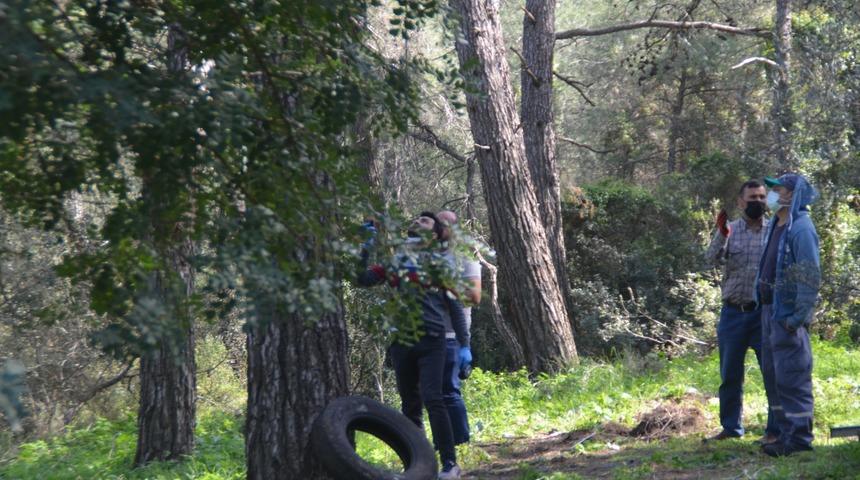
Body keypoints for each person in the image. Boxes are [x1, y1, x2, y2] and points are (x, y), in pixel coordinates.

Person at [357, 211, 470, 479]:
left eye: (426, 220)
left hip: (433, 339)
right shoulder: (395, 261)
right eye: (417, 218)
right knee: (409, 406)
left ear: (434, 234)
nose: (418, 221)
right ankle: (417, 466)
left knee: (434, 399)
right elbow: (361, 280)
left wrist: (465, 345)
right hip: (401, 341)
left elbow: (455, 307)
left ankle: (450, 464)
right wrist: (365, 247)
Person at [704, 180, 778, 443]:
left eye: (761, 197)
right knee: (730, 375)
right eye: (751, 197)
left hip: (764, 315)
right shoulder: (730, 230)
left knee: (772, 373)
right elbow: (709, 260)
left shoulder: (774, 231)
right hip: (733, 314)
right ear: (740, 202)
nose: (757, 201)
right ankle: (731, 428)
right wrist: (721, 234)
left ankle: (775, 430)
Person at [756, 173, 820, 457]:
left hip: (787, 316)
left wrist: (797, 319)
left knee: (792, 376)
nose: (771, 194)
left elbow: (810, 276)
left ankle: (800, 438)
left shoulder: (801, 228)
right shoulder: (775, 224)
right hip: (769, 311)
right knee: (775, 377)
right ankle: (784, 434)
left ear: (792, 195)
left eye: (777, 189)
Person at [436, 210, 482, 446]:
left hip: (453, 333)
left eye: (445, 223)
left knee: (449, 391)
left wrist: (443, 284)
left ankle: (462, 443)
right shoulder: (427, 255)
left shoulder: (464, 257)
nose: (439, 227)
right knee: (431, 395)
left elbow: (474, 297)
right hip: (427, 332)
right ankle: (442, 443)